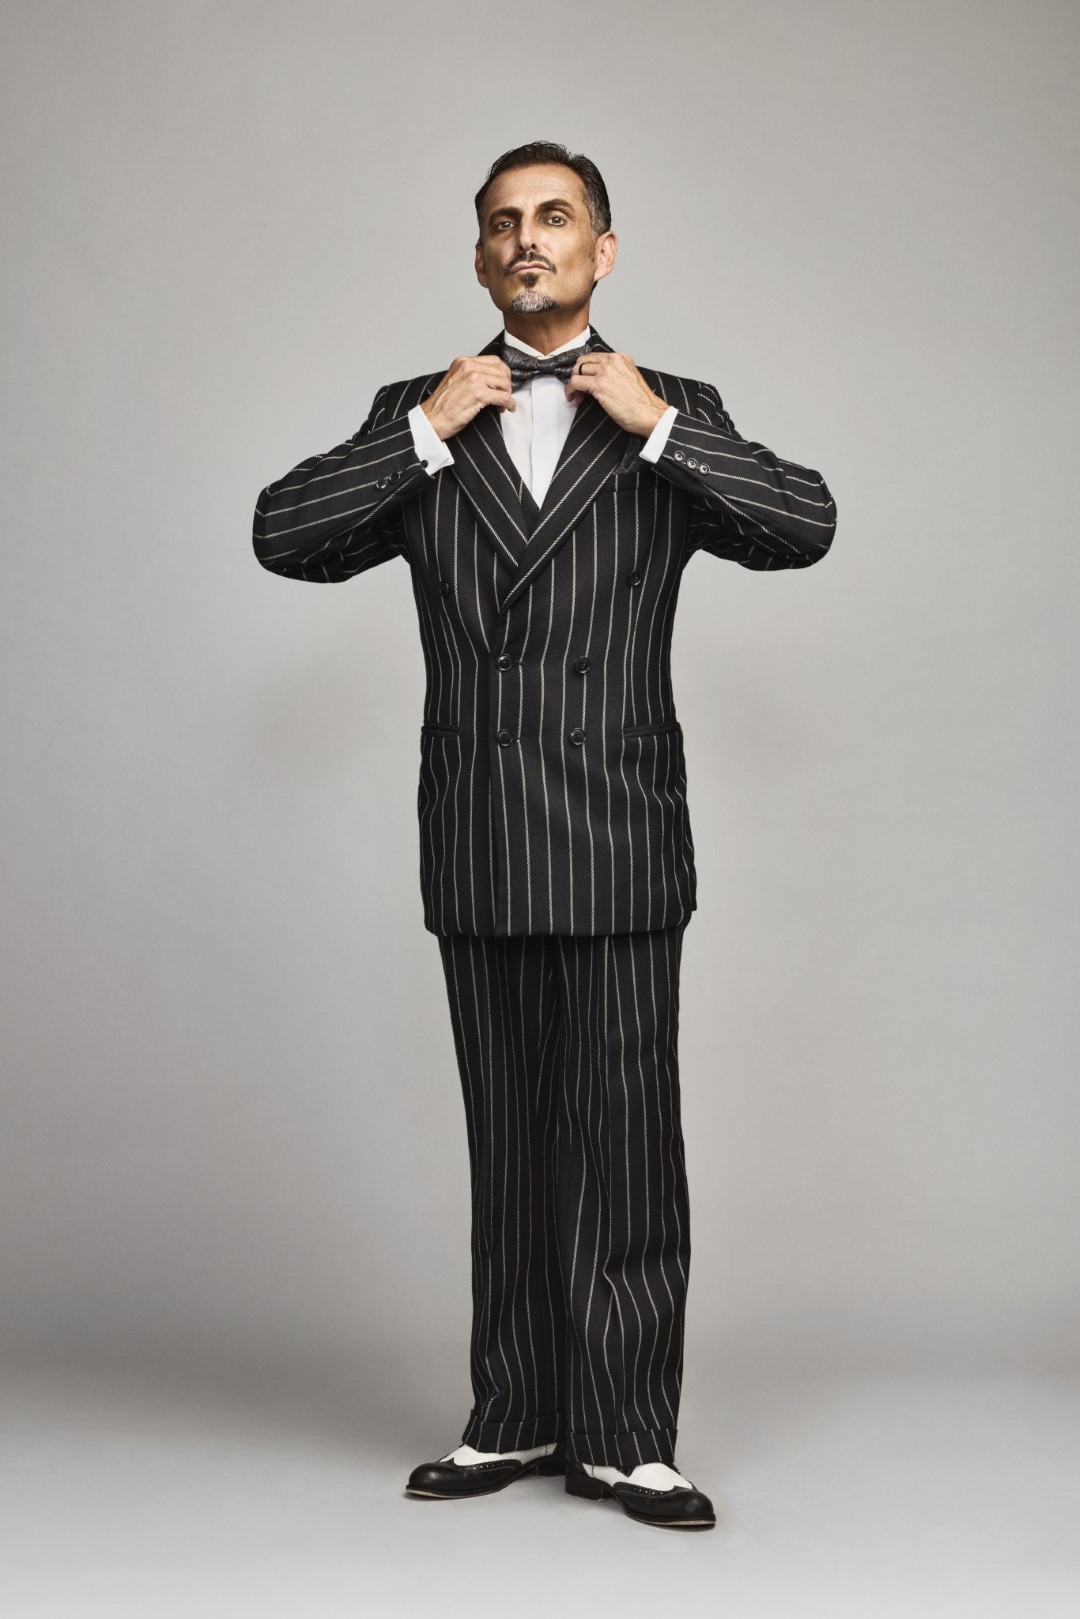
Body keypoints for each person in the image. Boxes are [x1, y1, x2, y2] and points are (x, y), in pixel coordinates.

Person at [252, 140, 837, 1531]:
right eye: (505, 224)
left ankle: (631, 1435)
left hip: (620, 832)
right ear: (478, 259)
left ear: (603, 249)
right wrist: (416, 432)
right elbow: (285, 535)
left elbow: (804, 524)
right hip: (480, 829)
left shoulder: (669, 407)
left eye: (556, 218)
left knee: (623, 1142)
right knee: (507, 1147)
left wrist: (659, 428)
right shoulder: (421, 410)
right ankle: (512, 1415)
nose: (530, 241)